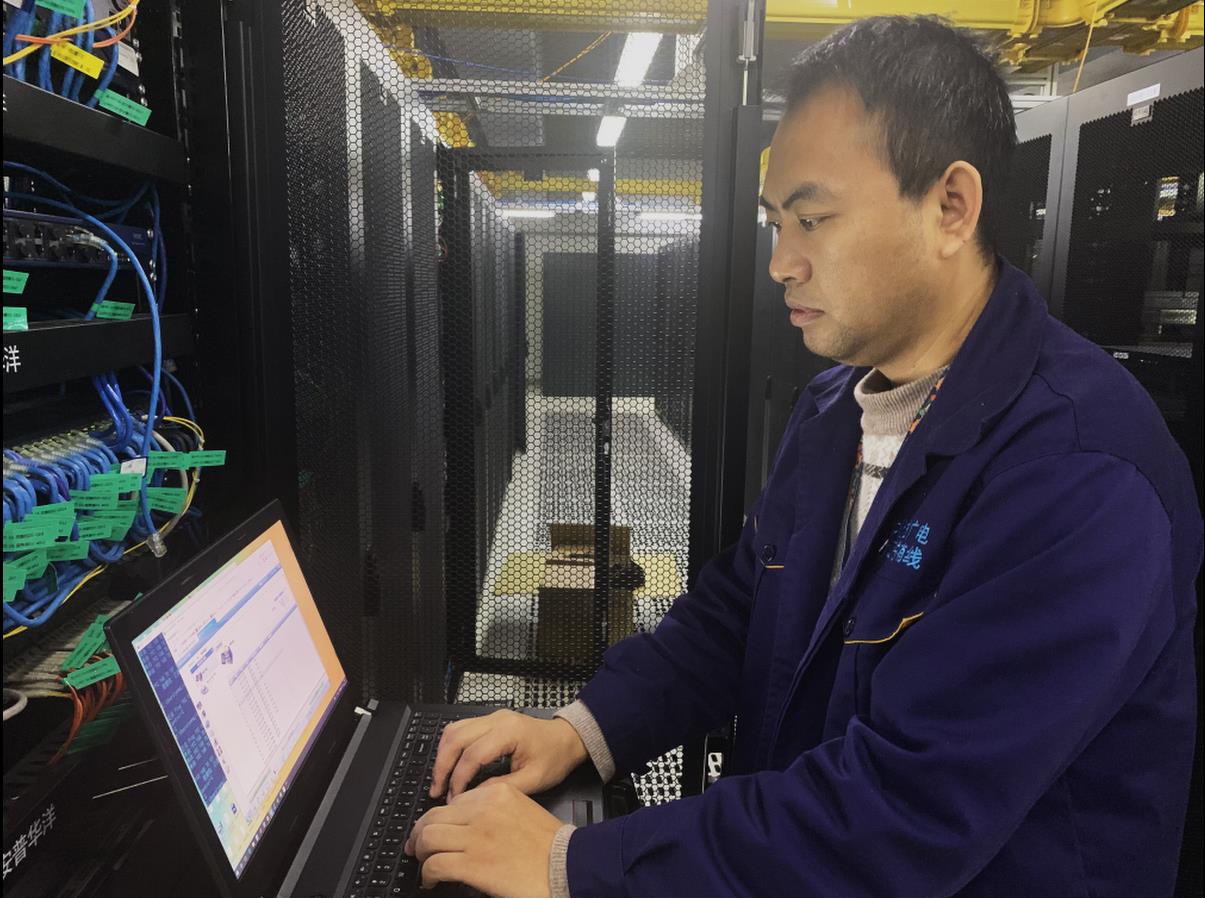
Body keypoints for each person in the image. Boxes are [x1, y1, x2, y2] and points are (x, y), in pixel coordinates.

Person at [404, 16, 1202, 897]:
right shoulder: (835, 411)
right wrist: (584, 729)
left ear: (950, 207)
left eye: (812, 219)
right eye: (774, 222)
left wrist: (573, 862)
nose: (781, 262)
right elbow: (742, 612)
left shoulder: (1076, 472)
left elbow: (906, 812)